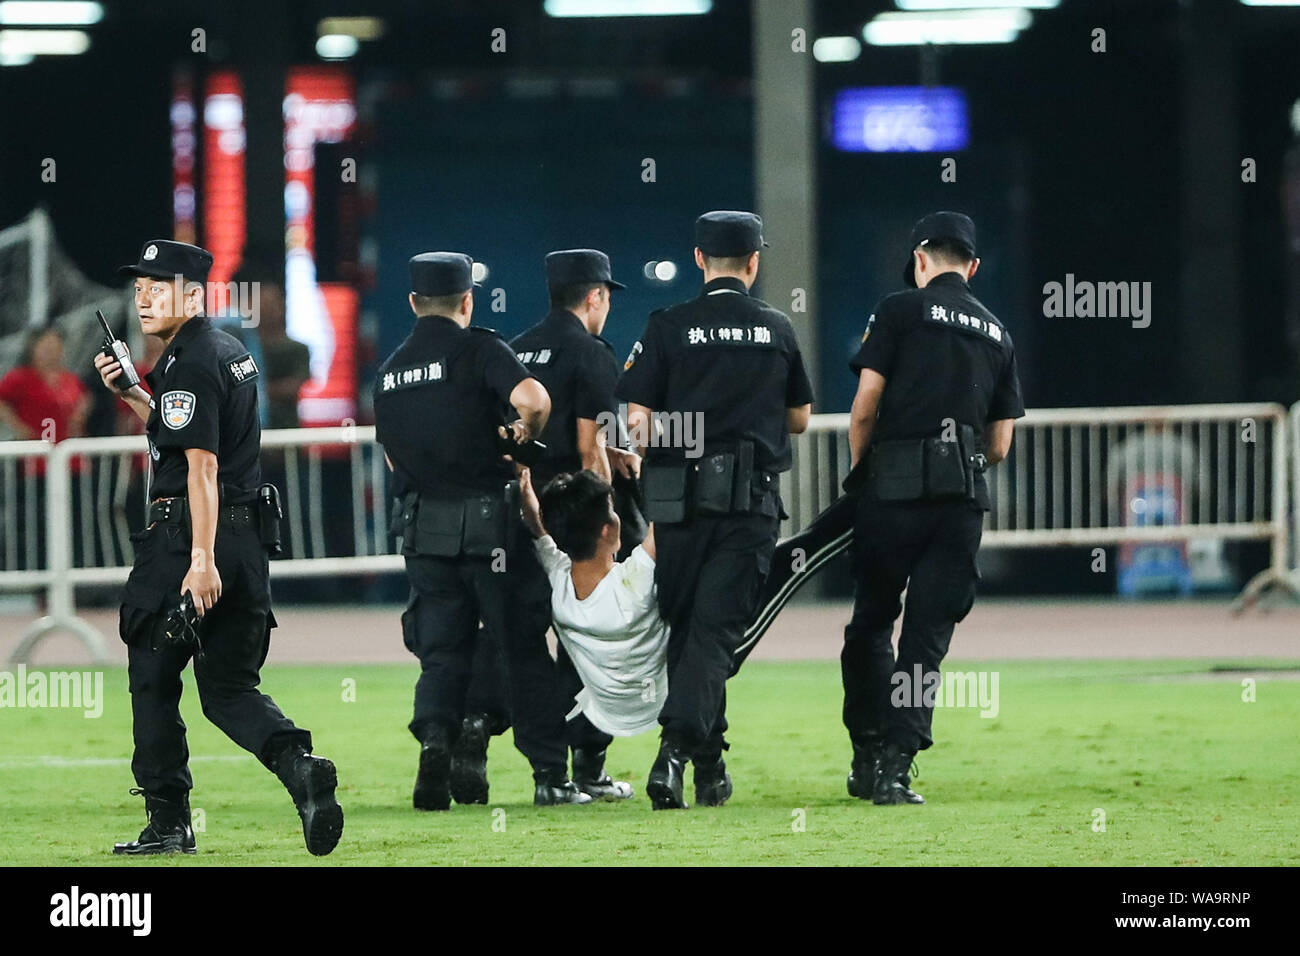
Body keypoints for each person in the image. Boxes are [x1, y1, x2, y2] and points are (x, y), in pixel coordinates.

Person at [95, 239, 343, 855]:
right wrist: (134, 396)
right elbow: (193, 440)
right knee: (229, 687)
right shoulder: (229, 352)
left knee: (151, 674)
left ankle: (169, 824)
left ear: (192, 293)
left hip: (189, 541)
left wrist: (199, 561)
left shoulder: (190, 363)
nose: (144, 297)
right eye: (140, 287)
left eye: (159, 285)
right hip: (245, 537)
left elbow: (200, 468)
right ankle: (299, 766)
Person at [375, 251, 589, 809]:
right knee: (520, 648)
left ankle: (435, 753)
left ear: (414, 303)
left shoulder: (391, 371)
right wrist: (523, 434)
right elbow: (534, 399)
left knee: (441, 652)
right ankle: (549, 776)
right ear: (467, 301)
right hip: (491, 526)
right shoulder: (481, 349)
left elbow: (395, 462)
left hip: (425, 531)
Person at [615, 210, 815, 809]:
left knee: (691, 629)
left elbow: (637, 419)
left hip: (678, 505)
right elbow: (800, 418)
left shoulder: (668, 324)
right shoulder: (777, 328)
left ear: (700, 260)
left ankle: (708, 767)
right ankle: (675, 753)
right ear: (753, 263)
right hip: (748, 504)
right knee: (714, 632)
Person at [842, 211, 1023, 805]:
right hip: (960, 500)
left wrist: (864, 471)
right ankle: (897, 769)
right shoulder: (998, 332)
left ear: (921, 260)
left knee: (872, 620)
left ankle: (866, 753)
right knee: (926, 637)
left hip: (891, 494)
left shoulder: (897, 310)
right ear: (972, 267)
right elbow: (998, 445)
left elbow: (866, 405)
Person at [452, 249, 639, 805]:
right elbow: (590, 451)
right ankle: (586, 767)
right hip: (574, 525)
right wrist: (609, 521)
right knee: (596, 642)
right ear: (595, 296)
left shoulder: (517, 348)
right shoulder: (594, 353)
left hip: (519, 516)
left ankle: (533, 765)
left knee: (520, 643)